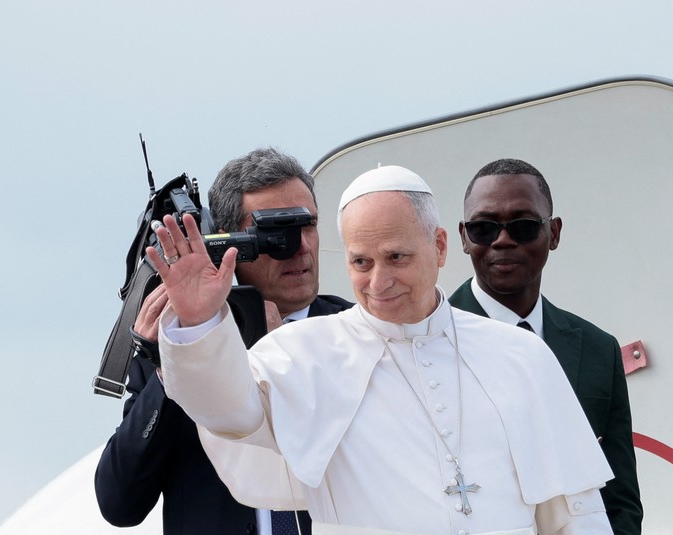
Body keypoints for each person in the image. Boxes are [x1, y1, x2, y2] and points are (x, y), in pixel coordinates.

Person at [148, 164, 615, 535]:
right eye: (360, 262)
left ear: (439, 246)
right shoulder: (302, 354)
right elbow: (229, 413)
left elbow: (575, 513)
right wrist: (200, 322)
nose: (379, 281)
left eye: (397, 258)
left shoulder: (521, 357)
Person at [94, 148, 352, 534]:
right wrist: (176, 366)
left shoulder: (356, 333)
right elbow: (119, 503)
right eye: (275, 231)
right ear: (227, 242)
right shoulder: (182, 345)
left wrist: (294, 363)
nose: (299, 247)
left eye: (308, 225)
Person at [449, 158, 643, 535]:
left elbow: (619, 499)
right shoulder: (426, 338)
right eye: (484, 228)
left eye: (522, 226)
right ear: (463, 237)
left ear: (553, 233)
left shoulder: (598, 349)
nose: (503, 240)